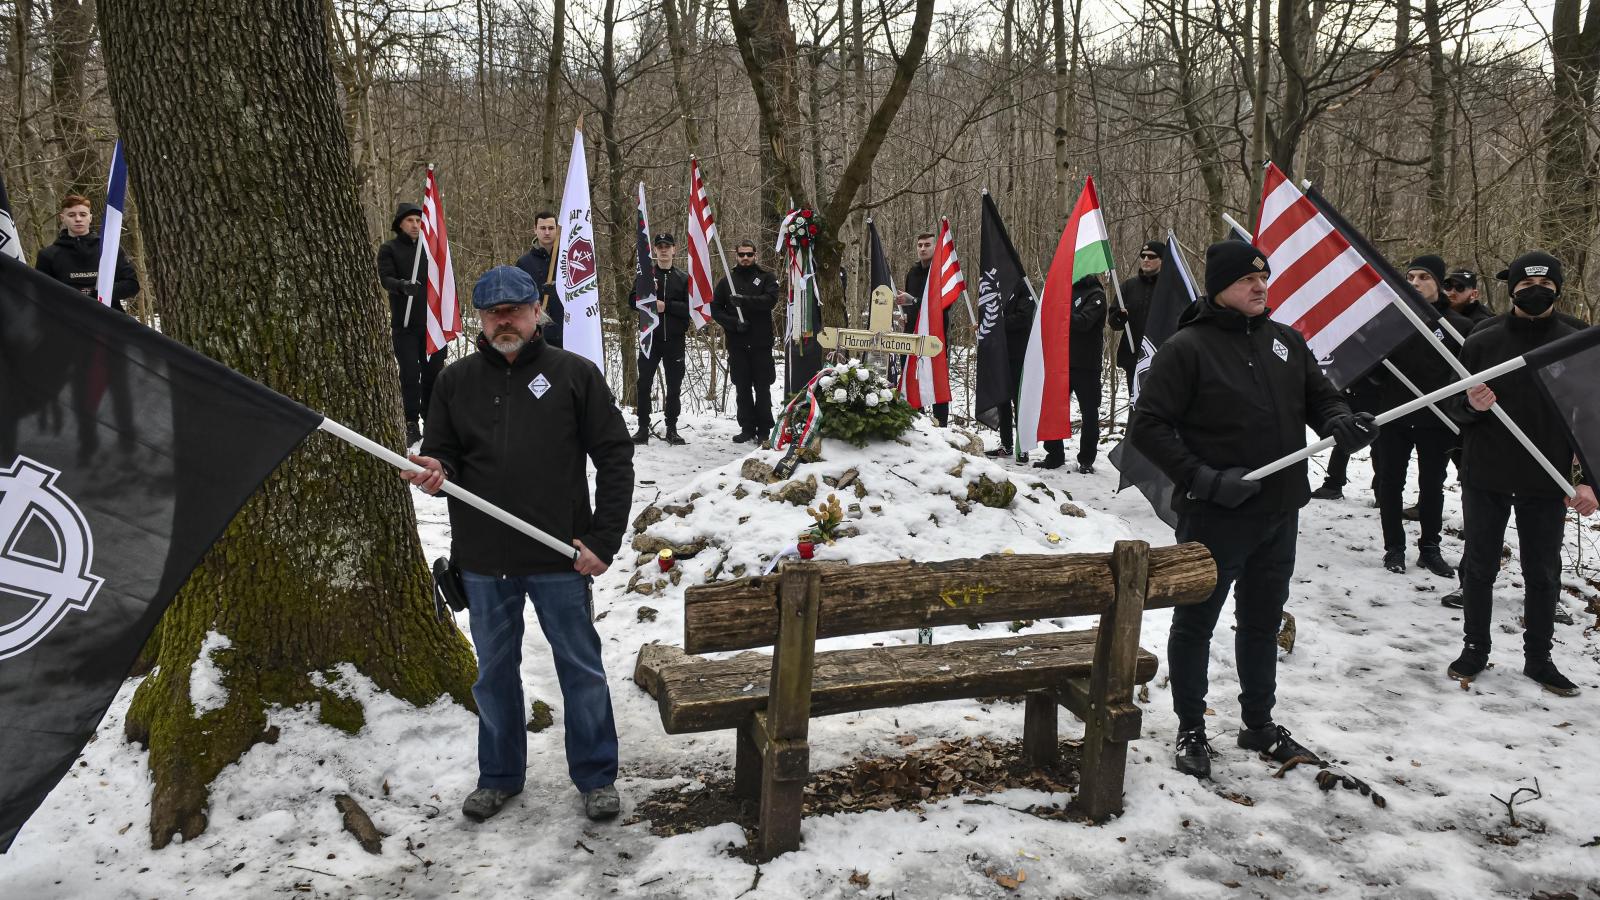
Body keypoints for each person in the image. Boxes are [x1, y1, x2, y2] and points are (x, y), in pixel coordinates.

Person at [1129, 240, 1378, 779]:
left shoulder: (1286, 341)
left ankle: (1259, 723)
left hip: (1280, 511)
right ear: (1219, 287)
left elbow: (1322, 398)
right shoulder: (1186, 348)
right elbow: (1146, 427)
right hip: (1215, 516)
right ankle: (1191, 727)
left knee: (1262, 623)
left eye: (1263, 278)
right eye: (1247, 280)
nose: (1260, 287)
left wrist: (1341, 421)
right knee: (1196, 624)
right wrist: (1204, 479)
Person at [401, 265, 634, 822]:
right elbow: (445, 454)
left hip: (559, 554)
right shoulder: (455, 382)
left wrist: (603, 538)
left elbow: (615, 457)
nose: (504, 320)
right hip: (483, 561)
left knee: (580, 667)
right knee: (494, 674)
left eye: (515, 310)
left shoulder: (574, 374)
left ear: (537, 312)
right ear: (480, 319)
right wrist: (437, 469)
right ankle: (500, 775)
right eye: (492, 312)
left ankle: (597, 776)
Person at [1444, 251, 1598, 696]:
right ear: (1510, 288)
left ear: (1559, 289)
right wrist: (1470, 406)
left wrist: (1587, 478)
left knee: (1542, 572)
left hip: (1546, 476)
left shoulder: (1577, 339)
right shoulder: (1481, 339)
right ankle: (1474, 647)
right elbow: (1452, 407)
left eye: (1546, 287)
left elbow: (1591, 417)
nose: (1536, 294)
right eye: (1526, 286)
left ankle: (1539, 658)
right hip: (1486, 471)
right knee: (1479, 566)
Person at [1369, 255, 1474, 577]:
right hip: (1393, 416)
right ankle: (1394, 549)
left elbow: (1467, 377)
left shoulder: (1459, 327)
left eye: (1423, 277)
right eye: (1410, 277)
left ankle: (1430, 548)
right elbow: (1372, 367)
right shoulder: (1392, 321)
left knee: (1432, 486)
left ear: (1439, 284)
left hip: (1436, 420)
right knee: (1389, 483)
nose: (1414, 283)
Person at [35, 193, 140, 462]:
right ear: (63, 218)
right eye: (72, 215)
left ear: (91, 217)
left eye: (82, 214)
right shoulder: (49, 255)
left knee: (120, 386)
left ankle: (128, 442)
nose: (78, 219)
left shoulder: (109, 248)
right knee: (82, 389)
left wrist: (99, 293)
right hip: (73, 333)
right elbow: (42, 297)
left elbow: (131, 284)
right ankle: (87, 443)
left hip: (111, 330)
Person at [378, 202, 446, 446]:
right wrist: (402, 286)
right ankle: (410, 422)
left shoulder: (432, 250)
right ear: (400, 224)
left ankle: (431, 419)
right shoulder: (390, 249)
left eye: (419, 221)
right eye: (410, 221)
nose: (415, 225)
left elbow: (445, 281)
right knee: (409, 374)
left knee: (433, 373)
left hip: (432, 325)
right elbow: (385, 278)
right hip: (405, 325)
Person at [712, 240, 780, 443]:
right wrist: (732, 323)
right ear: (736, 255)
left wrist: (744, 301)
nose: (745, 258)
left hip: (761, 343)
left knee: (762, 387)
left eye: (749, 254)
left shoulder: (766, 277)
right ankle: (747, 427)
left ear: (755, 255)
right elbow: (715, 309)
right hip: (738, 344)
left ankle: (764, 430)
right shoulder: (727, 281)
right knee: (742, 387)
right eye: (741, 254)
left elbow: (771, 300)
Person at [1036, 274, 1106, 472]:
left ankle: (1086, 459)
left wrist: (1058, 314)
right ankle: (1054, 454)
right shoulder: (1065, 291)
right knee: (1053, 409)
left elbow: (1084, 322)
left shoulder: (1096, 294)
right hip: (1061, 362)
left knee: (1089, 413)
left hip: (1087, 365)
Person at [633, 232, 692, 445]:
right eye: (660, 246)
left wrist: (666, 306)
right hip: (650, 338)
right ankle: (641, 428)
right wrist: (647, 295)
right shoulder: (646, 276)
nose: (664, 249)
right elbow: (632, 302)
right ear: (655, 251)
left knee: (674, 386)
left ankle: (672, 428)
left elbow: (691, 309)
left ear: (674, 250)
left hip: (675, 340)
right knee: (644, 385)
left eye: (668, 246)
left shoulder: (684, 278)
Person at [898, 232, 951, 426]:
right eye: (919, 245)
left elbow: (942, 304)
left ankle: (942, 427)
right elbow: (909, 301)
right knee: (912, 378)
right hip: (912, 334)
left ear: (935, 247)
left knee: (937, 381)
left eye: (927, 245)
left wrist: (913, 300)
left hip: (936, 336)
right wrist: (904, 311)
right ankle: (915, 423)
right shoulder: (912, 272)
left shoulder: (941, 273)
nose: (922, 248)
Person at [986, 269, 1037, 462]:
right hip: (999, 353)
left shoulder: (1024, 287)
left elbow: (1023, 318)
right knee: (1002, 400)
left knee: (1019, 400)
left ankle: (1022, 447)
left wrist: (996, 324)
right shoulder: (995, 287)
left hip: (1019, 353)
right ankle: (1006, 444)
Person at [1110, 240, 1163, 390]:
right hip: (1133, 356)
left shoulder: (1169, 287)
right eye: (1143, 256)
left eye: (1151, 257)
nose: (1146, 260)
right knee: (1135, 406)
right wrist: (1119, 316)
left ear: (1162, 260)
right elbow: (1113, 323)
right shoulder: (1128, 286)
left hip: (1161, 358)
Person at [514, 210, 564, 347]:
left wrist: (560, 290)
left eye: (551, 228)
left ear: (557, 230)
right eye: (543, 228)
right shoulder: (524, 263)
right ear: (535, 229)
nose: (547, 232)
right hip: (538, 335)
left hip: (567, 332)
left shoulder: (567, 259)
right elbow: (519, 299)